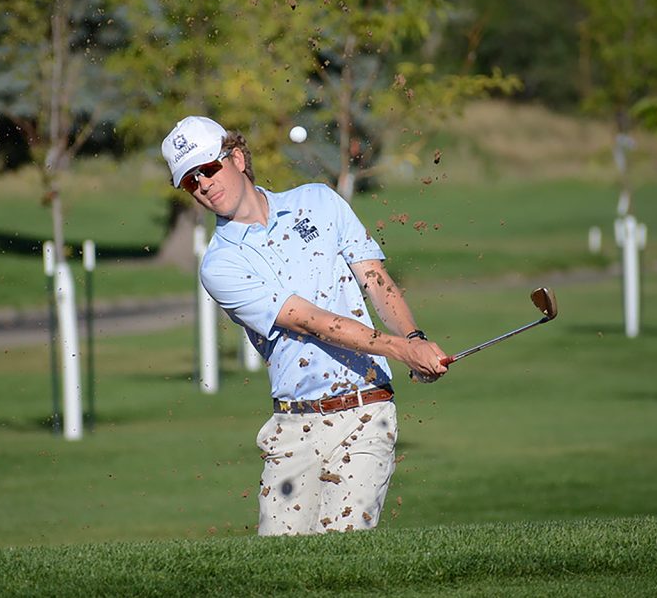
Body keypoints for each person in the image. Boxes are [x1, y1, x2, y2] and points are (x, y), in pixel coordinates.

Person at [161, 116, 448, 535]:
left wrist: (414, 339)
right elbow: (311, 322)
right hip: (293, 427)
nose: (203, 184)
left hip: (368, 412)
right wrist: (402, 351)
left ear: (237, 158)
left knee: (342, 555)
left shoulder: (319, 201)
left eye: (208, 168)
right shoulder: (219, 266)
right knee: (280, 566)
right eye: (190, 181)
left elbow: (375, 280)